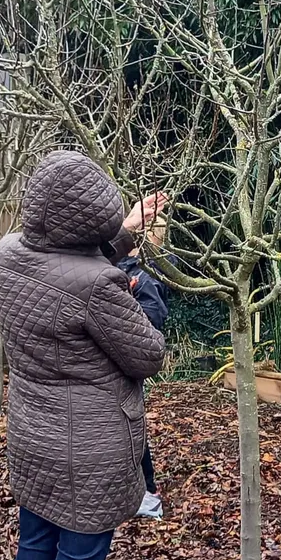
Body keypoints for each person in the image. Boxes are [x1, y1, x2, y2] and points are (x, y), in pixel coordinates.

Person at [0, 151, 167, 560]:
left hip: (33, 439)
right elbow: (147, 354)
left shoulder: (10, 252)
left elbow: (69, 257)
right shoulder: (98, 286)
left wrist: (123, 234)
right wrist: (144, 282)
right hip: (89, 451)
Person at [117, 219, 171, 519]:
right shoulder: (123, 264)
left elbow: (153, 322)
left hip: (128, 366)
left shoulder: (148, 275)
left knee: (131, 430)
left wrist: (126, 302)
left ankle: (148, 493)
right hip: (113, 365)